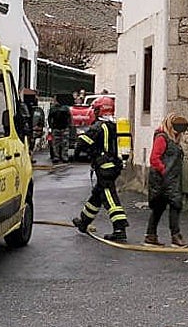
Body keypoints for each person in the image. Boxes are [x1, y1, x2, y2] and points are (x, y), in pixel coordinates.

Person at [71, 101, 129, 242]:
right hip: (115, 165)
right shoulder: (115, 125)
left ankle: (119, 228)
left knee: (109, 196)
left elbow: (83, 143)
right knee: (97, 195)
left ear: (99, 111)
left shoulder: (98, 126)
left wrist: (76, 154)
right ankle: (84, 222)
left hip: (104, 167)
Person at [145, 112, 188, 247]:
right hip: (163, 179)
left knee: (171, 205)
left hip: (171, 178)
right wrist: (164, 170)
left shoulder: (173, 139)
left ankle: (152, 235)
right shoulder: (162, 138)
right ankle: (174, 236)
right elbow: (154, 158)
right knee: (164, 206)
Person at [46, 94, 72, 164]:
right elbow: (70, 118)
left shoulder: (53, 108)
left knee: (56, 143)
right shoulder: (66, 108)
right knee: (64, 143)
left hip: (56, 128)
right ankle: (64, 157)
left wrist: (51, 126)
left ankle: (57, 157)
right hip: (63, 128)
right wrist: (69, 125)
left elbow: (49, 118)